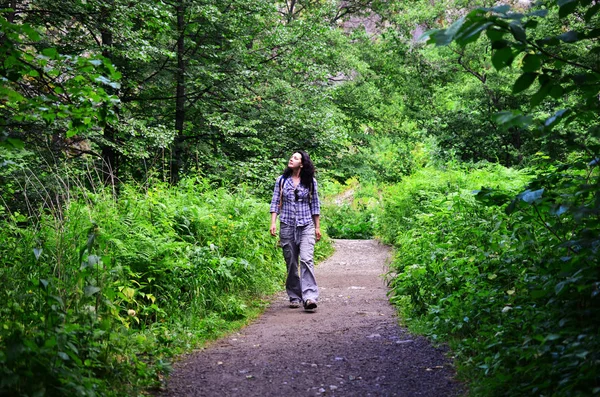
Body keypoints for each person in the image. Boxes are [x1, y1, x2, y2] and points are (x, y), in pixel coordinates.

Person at [269, 150, 321, 311]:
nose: (291, 159)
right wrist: (273, 223)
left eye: (296, 158)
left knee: (306, 259)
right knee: (291, 262)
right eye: (291, 157)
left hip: (306, 225)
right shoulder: (282, 181)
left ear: (302, 163)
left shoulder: (310, 181)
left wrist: (317, 227)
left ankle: (310, 297)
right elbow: (275, 202)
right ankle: (294, 296)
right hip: (287, 225)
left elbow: (315, 205)